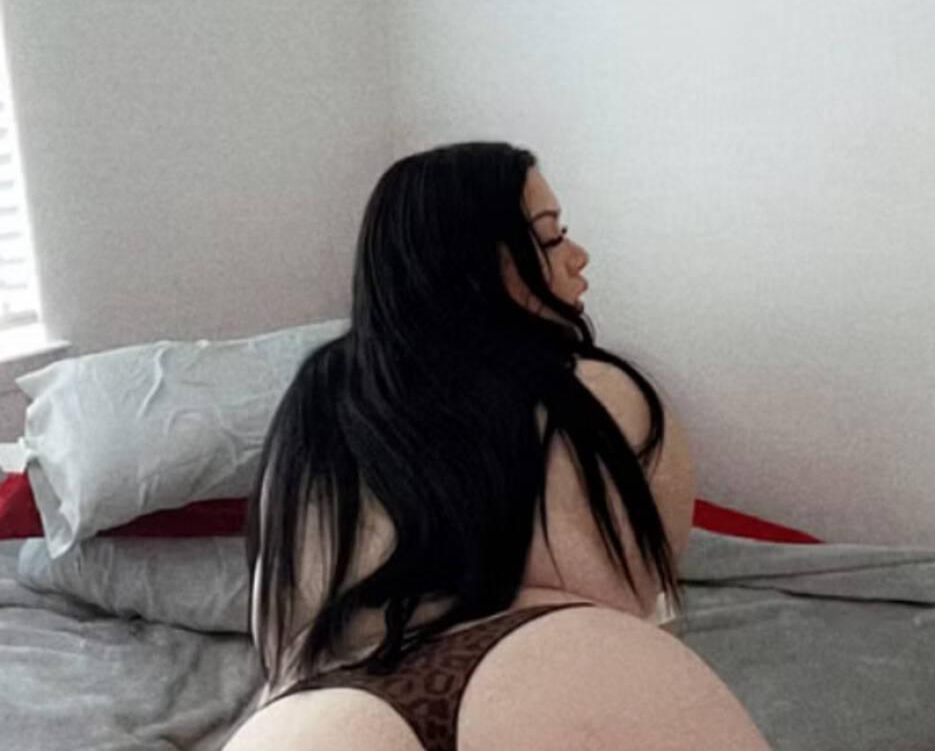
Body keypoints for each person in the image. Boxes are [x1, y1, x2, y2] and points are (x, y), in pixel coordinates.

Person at [224, 142, 772, 751]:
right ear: (477, 259)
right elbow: (646, 590)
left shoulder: (313, 402)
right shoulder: (595, 390)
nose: (578, 257)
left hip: (323, 715)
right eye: (552, 237)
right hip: (560, 669)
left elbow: (279, 627)